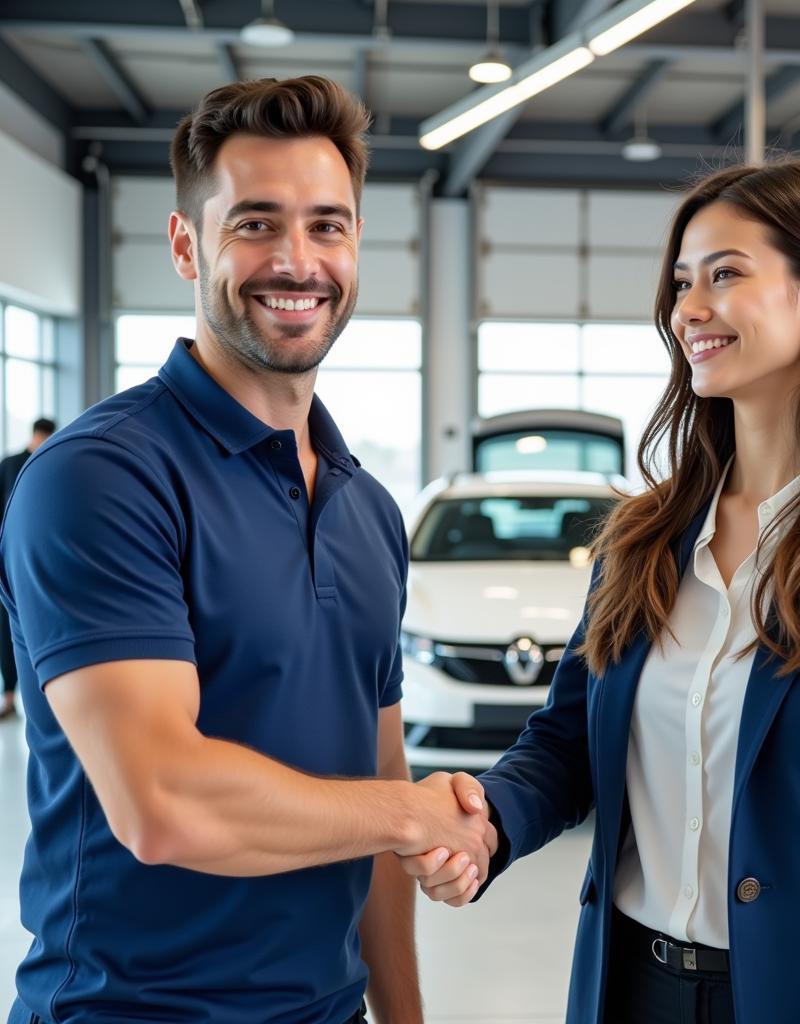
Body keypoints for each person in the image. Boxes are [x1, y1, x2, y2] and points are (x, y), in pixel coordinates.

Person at [403, 160, 800, 1024]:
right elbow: (568, 743)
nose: (688, 308)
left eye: (725, 274)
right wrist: (487, 820)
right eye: (683, 282)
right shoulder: (645, 533)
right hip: (632, 989)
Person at [0, 76, 495, 1024]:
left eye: (328, 225)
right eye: (257, 224)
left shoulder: (370, 511)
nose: (298, 261)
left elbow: (380, 785)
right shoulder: (101, 478)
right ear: (187, 245)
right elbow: (162, 802)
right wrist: (411, 815)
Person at [0, 418, 56, 720]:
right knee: (9, 634)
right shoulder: (12, 464)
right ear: (38, 434)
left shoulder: (50, 461)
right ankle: (9, 697)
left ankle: (42, 700)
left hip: (36, 561)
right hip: (10, 560)